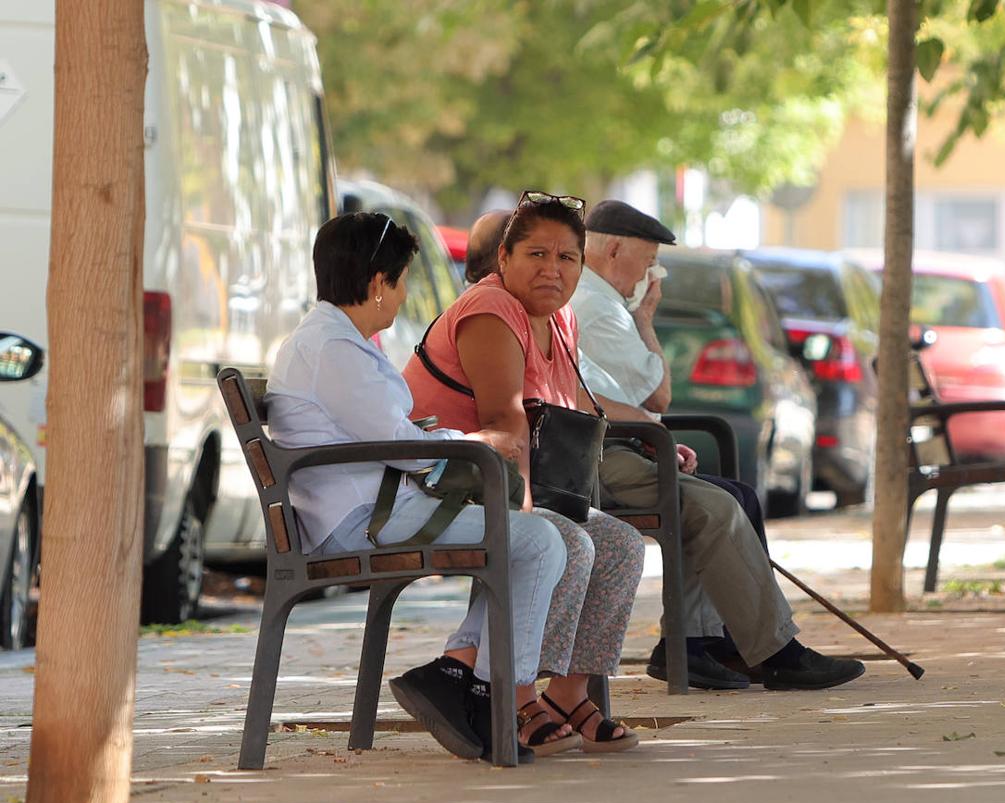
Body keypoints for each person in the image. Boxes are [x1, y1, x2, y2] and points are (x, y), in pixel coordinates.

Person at [266, 212, 571, 763]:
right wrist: (474, 441)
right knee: (540, 542)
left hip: (367, 507)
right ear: (380, 283)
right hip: (358, 520)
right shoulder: (333, 348)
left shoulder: (335, 340)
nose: (404, 295)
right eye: (402, 281)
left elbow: (391, 434)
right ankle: (489, 694)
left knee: (526, 537)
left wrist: (457, 440)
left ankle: (462, 677)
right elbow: (398, 445)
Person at [574, 199, 867, 692]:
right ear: (614, 249)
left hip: (616, 444)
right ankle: (772, 651)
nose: (652, 273)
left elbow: (623, 399)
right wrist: (646, 320)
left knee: (729, 498)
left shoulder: (598, 304)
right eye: (648, 261)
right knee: (717, 508)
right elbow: (656, 394)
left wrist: (651, 430)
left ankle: (700, 645)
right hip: (596, 457)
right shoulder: (596, 305)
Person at [404, 191, 643, 754]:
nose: (551, 269)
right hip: (443, 482)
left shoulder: (561, 319)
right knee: (566, 542)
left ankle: (567, 691)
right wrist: (537, 511)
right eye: (536, 254)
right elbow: (504, 425)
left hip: (504, 483)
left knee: (622, 545)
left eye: (567, 258)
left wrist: (651, 439)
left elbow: (570, 410)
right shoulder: (491, 310)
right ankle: (513, 693)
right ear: (504, 258)